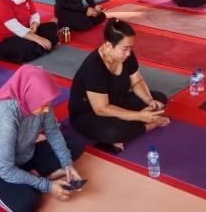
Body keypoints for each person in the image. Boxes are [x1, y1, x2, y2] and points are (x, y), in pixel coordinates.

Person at [0, 65, 84, 212]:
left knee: (75, 143)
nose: (47, 110)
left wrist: (67, 164)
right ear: (28, 96)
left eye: (48, 105)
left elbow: (53, 132)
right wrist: (47, 186)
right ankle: (38, 178)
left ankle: (31, 177)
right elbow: (6, 170)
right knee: (26, 203)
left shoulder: (42, 102)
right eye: (44, 106)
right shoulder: (7, 118)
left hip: (24, 156)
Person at [69, 19, 169, 152]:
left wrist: (149, 100)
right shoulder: (94, 66)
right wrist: (138, 116)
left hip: (117, 102)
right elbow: (101, 109)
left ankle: (132, 123)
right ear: (108, 45)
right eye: (125, 48)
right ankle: (147, 125)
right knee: (114, 131)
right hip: (89, 114)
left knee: (159, 99)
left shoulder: (126, 56)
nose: (129, 53)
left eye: (130, 48)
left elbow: (137, 81)